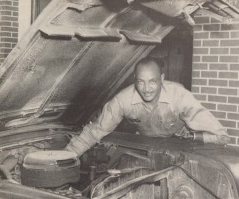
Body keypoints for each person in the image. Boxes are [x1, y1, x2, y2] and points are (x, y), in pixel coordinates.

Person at [65, 57, 230, 156]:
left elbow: (221, 136)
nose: (146, 88)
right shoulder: (123, 100)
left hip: (181, 149)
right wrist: (66, 155)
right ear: (134, 79)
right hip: (145, 150)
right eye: (141, 82)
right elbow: (95, 131)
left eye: (153, 81)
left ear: (162, 78)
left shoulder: (180, 96)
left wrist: (193, 137)